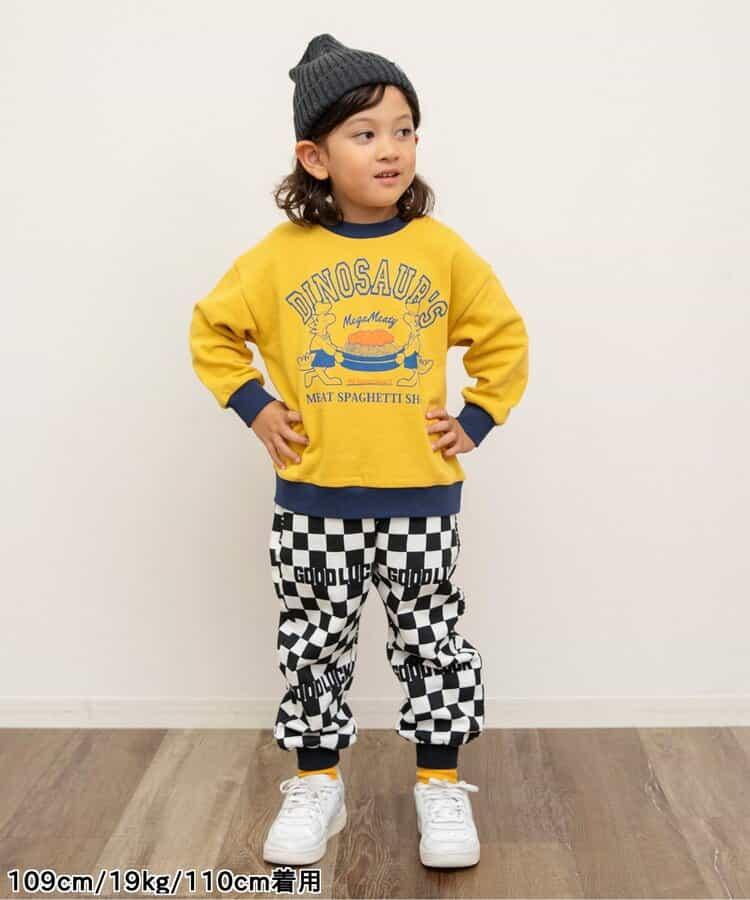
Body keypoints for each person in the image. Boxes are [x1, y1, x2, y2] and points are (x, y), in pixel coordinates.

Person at [188, 32, 529, 870]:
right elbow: (212, 331)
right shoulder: (279, 258)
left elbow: (503, 337)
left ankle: (440, 784)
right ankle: (317, 783)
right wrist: (256, 406)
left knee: (433, 642)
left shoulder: (440, 250)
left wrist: (477, 419)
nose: (391, 149)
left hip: (421, 499)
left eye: (404, 130)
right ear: (314, 156)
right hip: (315, 499)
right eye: (366, 133)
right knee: (314, 643)